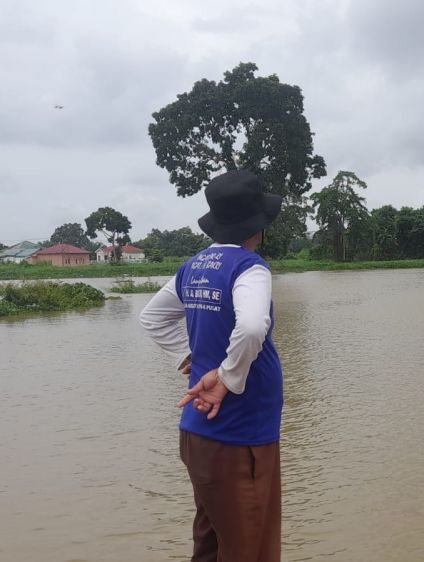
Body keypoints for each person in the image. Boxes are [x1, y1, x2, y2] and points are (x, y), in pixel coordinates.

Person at [139, 170, 284, 562]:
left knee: (210, 544)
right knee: (250, 549)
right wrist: (226, 376)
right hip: (242, 437)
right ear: (260, 227)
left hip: (199, 435)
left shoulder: (194, 266)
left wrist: (188, 358)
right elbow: (253, 325)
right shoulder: (249, 267)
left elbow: (152, 318)